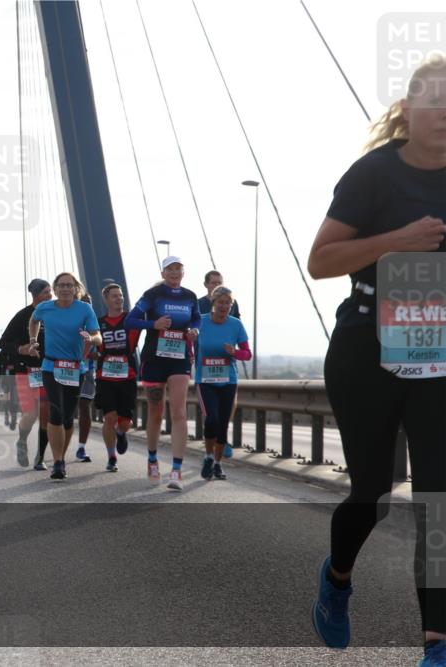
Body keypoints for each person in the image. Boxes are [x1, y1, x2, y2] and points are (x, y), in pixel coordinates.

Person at [306, 55, 445, 662]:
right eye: (433, 102)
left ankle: (437, 643)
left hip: (437, 346)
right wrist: (398, 241)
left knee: (437, 497)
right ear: (408, 110)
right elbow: (322, 261)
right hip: (368, 341)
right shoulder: (373, 174)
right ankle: (337, 579)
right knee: (373, 491)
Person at [125, 256, 200, 491]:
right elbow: (130, 321)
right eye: (171, 269)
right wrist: (153, 325)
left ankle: (176, 471)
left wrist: (194, 331)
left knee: (178, 411)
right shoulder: (153, 295)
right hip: (155, 359)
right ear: (163, 273)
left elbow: (196, 318)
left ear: (183, 272)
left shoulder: (190, 296)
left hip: (179, 358)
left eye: (179, 268)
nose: (175, 272)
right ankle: (152, 459)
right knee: (156, 412)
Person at [28, 272, 101, 480]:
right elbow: (33, 321)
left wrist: (91, 337)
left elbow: (99, 337)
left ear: (75, 288)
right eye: (61, 285)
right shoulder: (45, 308)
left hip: (76, 368)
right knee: (56, 411)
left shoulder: (85, 309)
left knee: (68, 416)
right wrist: (33, 340)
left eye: (69, 285)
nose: (65, 289)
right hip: (51, 366)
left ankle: (60, 455)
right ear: (56, 288)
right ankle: (58, 461)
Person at [195, 286, 250, 482]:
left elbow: (247, 354)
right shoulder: (200, 321)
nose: (224, 306)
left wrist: (234, 352)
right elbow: (187, 339)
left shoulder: (236, 325)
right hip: (205, 380)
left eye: (228, 303)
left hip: (228, 380)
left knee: (223, 425)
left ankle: (218, 464)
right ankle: (208, 456)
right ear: (213, 303)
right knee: (211, 420)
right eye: (221, 303)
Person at [0, 279, 52, 469]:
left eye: (50, 291)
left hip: (48, 370)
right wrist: (22, 349)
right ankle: (22, 441)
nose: (50, 295)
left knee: (45, 412)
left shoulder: (54, 312)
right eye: (46, 292)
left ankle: (41, 457)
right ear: (35, 295)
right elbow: (3, 343)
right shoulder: (23, 315)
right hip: (25, 370)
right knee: (31, 414)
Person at [94, 282, 141, 472]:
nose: (119, 299)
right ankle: (111, 456)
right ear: (106, 300)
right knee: (109, 417)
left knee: (125, 422)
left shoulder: (131, 319)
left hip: (127, 375)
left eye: (121, 296)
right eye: (114, 296)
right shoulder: (98, 323)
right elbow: (91, 343)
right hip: (105, 376)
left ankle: (121, 434)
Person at [197, 270, 242, 458]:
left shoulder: (232, 302)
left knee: (228, 406)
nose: (216, 285)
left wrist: (236, 350)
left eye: (219, 282)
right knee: (211, 411)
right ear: (206, 284)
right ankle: (211, 434)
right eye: (213, 282)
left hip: (226, 360)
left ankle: (222, 437)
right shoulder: (199, 304)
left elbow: (237, 326)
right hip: (205, 361)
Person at [74, 293, 97, 463]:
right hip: (66, 371)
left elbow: (104, 348)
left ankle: (81, 447)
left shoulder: (95, 325)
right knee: (63, 410)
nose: (86, 306)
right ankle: (58, 443)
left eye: (88, 303)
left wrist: (92, 353)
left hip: (87, 372)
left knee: (84, 408)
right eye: (82, 303)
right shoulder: (68, 322)